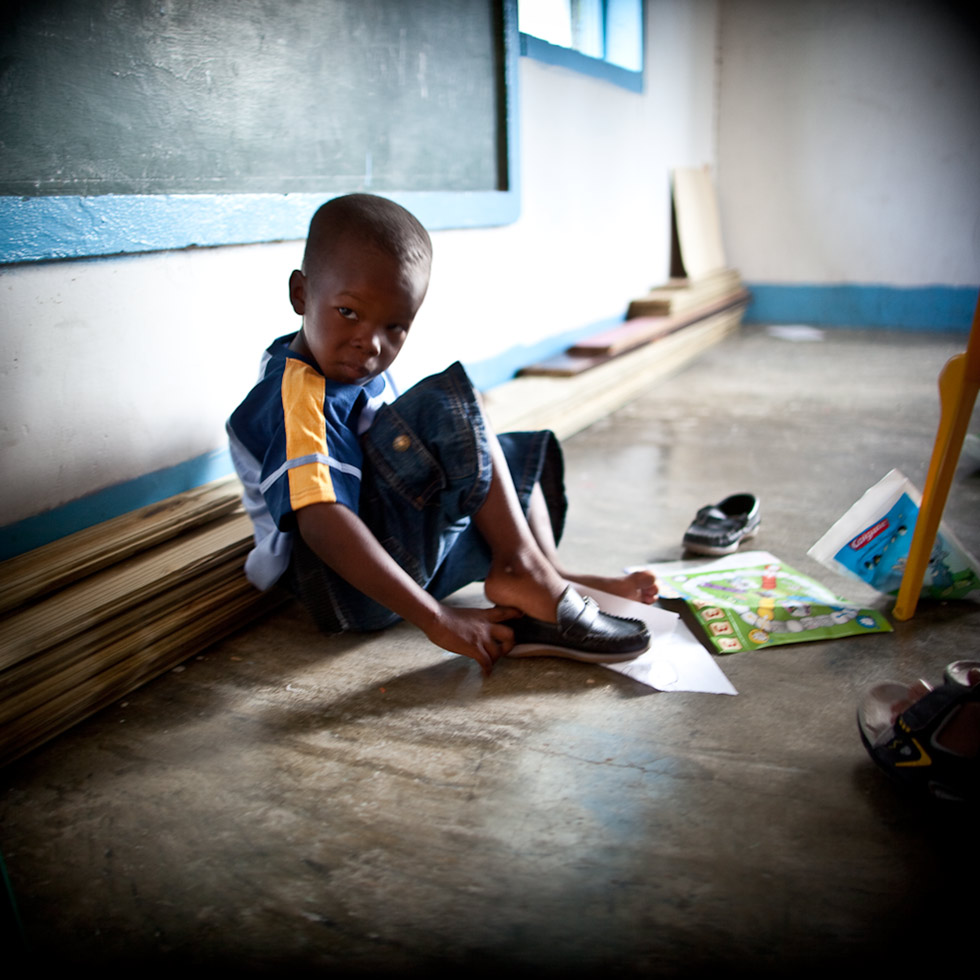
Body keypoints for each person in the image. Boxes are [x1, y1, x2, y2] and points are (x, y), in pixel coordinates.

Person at [227, 193, 658, 675]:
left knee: (499, 452)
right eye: (348, 312)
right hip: (341, 585)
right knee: (447, 404)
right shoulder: (294, 394)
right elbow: (321, 522)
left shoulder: (356, 373)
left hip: (391, 558)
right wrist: (437, 619)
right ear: (301, 295)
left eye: (394, 326)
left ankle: (542, 574)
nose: (370, 343)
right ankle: (526, 573)